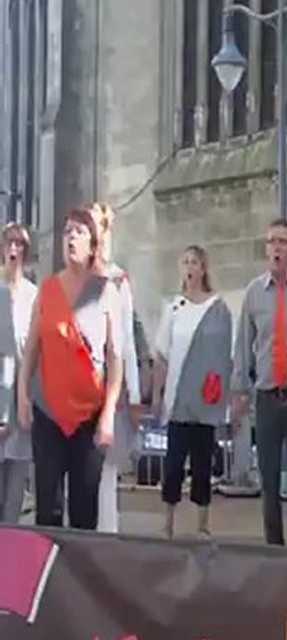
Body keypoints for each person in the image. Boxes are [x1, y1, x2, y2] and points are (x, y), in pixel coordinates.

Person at [17, 208, 122, 530]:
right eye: (67, 232)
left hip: (89, 417)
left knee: (84, 510)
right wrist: (23, 397)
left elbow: (115, 357)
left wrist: (108, 415)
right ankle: (49, 562)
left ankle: (80, 564)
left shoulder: (106, 291)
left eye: (79, 232)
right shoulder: (47, 290)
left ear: (92, 245)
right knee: (48, 508)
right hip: (48, 414)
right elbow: (31, 350)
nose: (71, 238)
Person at [232, 219, 287, 547]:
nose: (276, 248)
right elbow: (243, 345)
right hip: (266, 397)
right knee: (269, 484)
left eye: (282, 242)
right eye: (271, 242)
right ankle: (274, 551)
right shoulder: (254, 292)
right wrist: (239, 391)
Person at [152, 245, 232, 539]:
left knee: (202, 464)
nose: (189, 267)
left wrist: (226, 396)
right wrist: (157, 393)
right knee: (173, 463)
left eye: (194, 262)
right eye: (185, 262)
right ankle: (167, 523)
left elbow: (225, 356)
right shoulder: (173, 308)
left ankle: (202, 524)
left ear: (203, 268)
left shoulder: (218, 309)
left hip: (205, 399)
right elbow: (162, 355)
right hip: (178, 399)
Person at [90, 203, 143, 534]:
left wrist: (133, 393)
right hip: (78, 382)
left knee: (107, 469)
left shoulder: (118, 279)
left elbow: (125, 339)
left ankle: (106, 533)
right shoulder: (74, 276)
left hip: (107, 381)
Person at [0, 224, 37, 524]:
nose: (14, 249)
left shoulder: (34, 295)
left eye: (19, 244)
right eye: (9, 242)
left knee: (15, 488)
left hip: (22, 397)